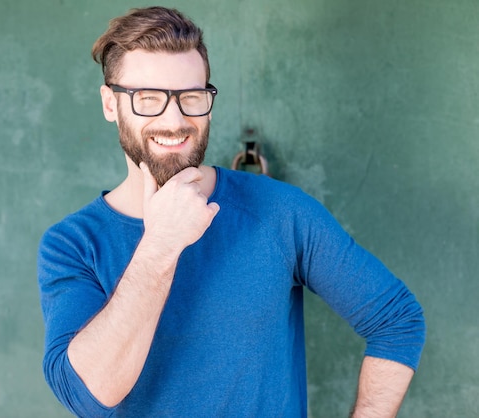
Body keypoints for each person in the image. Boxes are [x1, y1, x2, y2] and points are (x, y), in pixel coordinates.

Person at [37, 6, 426, 417]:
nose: (175, 120)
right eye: (148, 99)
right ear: (111, 104)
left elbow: (397, 321)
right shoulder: (73, 245)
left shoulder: (279, 212)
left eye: (191, 97)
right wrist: (160, 245)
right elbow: (86, 397)